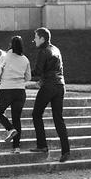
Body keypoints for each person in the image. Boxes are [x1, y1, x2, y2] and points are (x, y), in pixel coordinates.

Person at [30, 27, 70, 162]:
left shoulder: (43, 51)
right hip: (60, 85)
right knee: (58, 118)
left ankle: (42, 145)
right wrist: (42, 80)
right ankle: (66, 151)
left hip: (49, 86)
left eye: (36, 37)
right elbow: (56, 69)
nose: (34, 40)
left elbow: (38, 70)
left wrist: (21, 72)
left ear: (42, 38)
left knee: (36, 114)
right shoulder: (56, 49)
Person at [0, 36, 31, 154]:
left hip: (6, 90)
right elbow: (28, 77)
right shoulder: (25, 59)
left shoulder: (4, 57)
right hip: (20, 92)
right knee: (16, 118)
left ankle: (10, 128)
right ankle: (16, 147)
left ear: (11, 45)